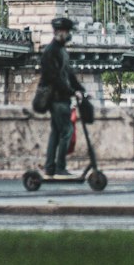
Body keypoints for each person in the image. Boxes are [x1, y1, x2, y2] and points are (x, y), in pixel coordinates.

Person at [39, 15, 84, 177]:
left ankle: (50, 167)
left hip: (61, 98)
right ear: (59, 32)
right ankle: (59, 167)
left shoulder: (61, 50)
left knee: (56, 132)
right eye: (67, 31)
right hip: (57, 98)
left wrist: (81, 89)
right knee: (67, 131)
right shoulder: (51, 51)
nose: (69, 34)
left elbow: (68, 74)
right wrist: (73, 92)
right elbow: (55, 78)